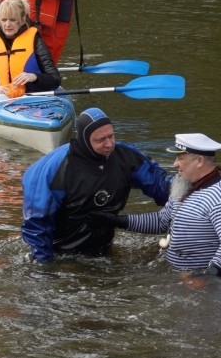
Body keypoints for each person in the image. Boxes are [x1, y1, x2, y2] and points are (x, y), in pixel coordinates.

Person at [21, 107, 171, 263]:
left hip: (103, 248)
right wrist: (45, 265)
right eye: (101, 140)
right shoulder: (55, 168)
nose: (109, 144)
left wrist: (188, 191)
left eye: (111, 136)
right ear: (85, 140)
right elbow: (36, 223)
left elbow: (161, 185)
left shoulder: (126, 157)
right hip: (62, 254)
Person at [99, 133, 221, 273]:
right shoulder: (184, 187)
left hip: (200, 284)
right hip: (178, 276)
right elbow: (161, 221)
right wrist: (118, 221)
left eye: (180, 158)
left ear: (199, 161)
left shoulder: (217, 196)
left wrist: (207, 277)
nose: (175, 163)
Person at [0, 0, 60, 99]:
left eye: (12, 20)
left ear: (22, 20)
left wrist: (34, 77)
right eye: (4, 20)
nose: (7, 24)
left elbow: (55, 79)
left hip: (30, 98)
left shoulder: (36, 42)